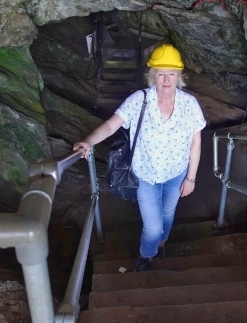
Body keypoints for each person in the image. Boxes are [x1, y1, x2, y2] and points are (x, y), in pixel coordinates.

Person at [73, 44, 206, 272]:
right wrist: (88, 141)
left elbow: (195, 142)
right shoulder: (139, 100)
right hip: (146, 175)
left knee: (168, 214)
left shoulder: (189, 104)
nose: (166, 79)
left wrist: (190, 178)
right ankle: (147, 254)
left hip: (176, 174)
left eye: (171, 73)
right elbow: (111, 125)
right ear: (153, 75)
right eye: (161, 73)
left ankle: (161, 245)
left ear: (178, 76)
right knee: (152, 227)